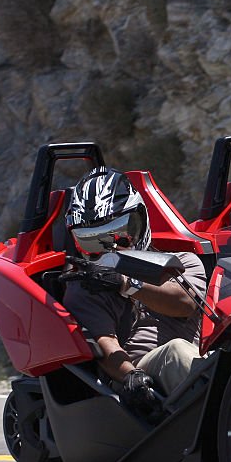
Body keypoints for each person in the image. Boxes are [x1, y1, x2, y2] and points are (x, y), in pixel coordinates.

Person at [61, 167, 207, 416]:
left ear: (139, 223)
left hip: (203, 366)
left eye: (118, 234)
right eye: (91, 240)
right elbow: (102, 344)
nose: (110, 248)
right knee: (177, 352)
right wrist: (131, 374)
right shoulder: (84, 285)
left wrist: (125, 283)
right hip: (136, 376)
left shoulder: (183, 261)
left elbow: (185, 303)